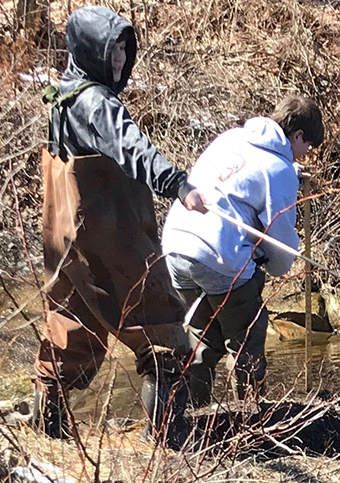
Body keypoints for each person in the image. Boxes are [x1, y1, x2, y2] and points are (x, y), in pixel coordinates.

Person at [34, 5, 208, 447]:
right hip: (110, 239)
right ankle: (167, 446)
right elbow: (133, 148)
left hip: (66, 240)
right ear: (90, 50)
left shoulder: (64, 95)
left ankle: (44, 434)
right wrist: (177, 184)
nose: (117, 60)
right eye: (111, 50)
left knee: (71, 330)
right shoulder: (97, 103)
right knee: (164, 337)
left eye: (123, 51)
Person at [160, 96, 323, 405]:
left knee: (202, 336)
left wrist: (291, 175)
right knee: (246, 335)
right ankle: (248, 419)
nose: (305, 155)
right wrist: (278, 267)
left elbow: (240, 183)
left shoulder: (232, 137)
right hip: (219, 254)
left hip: (176, 245)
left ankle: (191, 416)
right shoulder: (280, 169)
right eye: (308, 147)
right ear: (298, 135)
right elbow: (280, 240)